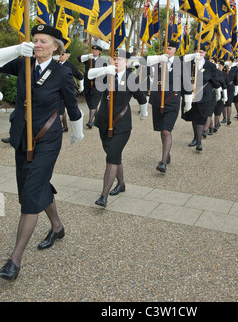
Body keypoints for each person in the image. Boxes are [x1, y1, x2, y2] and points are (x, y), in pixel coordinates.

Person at [0, 24, 83, 281]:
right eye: (34, 40)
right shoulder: (23, 63)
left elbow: (72, 105)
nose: (37, 44)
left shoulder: (63, 73)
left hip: (47, 140)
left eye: (43, 41)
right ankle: (57, 227)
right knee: (34, 185)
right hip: (23, 138)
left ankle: (15, 259)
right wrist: (16, 49)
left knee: (30, 195)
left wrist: (77, 131)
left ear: (56, 46)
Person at [90, 49, 148, 207]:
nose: (116, 61)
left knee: (111, 159)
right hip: (103, 122)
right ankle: (121, 183)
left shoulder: (132, 78)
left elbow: (142, 97)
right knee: (114, 156)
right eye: (114, 58)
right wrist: (104, 70)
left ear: (127, 62)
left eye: (120, 59)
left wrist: (144, 113)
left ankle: (103, 195)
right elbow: (89, 75)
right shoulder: (106, 74)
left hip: (121, 125)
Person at [147, 40, 190, 173]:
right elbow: (144, 63)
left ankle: (163, 161)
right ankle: (167, 152)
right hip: (157, 100)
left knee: (166, 130)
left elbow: (187, 84)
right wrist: (158, 59)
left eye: (170, 48)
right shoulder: (158, 61)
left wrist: (187, 102)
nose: (167, 50)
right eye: (165, 48)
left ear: (175, 51)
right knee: (161, 129)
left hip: (172, 100)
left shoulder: (181, 65)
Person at [181, 45, 221, 151]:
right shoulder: (188, 64)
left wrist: (219, 92)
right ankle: (195, 138)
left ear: (205, 53)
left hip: (204, 96)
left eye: (201, 52)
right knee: (194, 117)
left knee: (201, 118)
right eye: (197, 51)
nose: (199, 54)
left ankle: (199, 142)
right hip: (190, 96)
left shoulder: (210, 66)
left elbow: (215, 80)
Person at [78, 44, 103, 129]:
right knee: (91, 103)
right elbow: (79, 59)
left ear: (99, 52)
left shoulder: (102, 61)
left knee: (93, 104)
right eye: (93, 50)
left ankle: (90, 121)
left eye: (96, 50)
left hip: (97, 85)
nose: (94, 51)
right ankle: (98, 119)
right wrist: (88, 56)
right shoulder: (88, 60)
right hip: (88, 85)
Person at [59, 49, 84, 132]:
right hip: (58, 91)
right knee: (60, 108)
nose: (60, 56)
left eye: (62, 54)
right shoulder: (55, 64)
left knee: (69, 109)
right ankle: (63, 126)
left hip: (68, 90)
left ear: (67, 56)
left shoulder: (70, 65)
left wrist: (81, 86)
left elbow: (80, 76)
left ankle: (71, 126)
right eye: (59, 54)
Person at [221, 58, 238, 125]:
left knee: (229, 103)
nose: (228, 62)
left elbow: (236, 79)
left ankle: (228, 119)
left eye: (230, 61)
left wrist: (236, 89)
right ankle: (224, 117)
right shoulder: (223, 68)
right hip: (223, 86)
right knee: (224, 103)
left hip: (230, 87)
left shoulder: (234, 69)